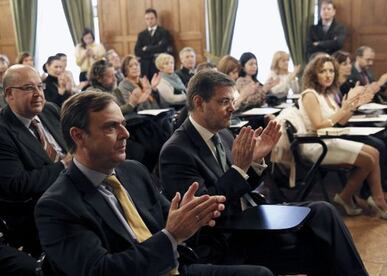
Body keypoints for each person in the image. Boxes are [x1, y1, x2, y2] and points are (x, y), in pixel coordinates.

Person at [34, 91, 273, 276]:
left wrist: (194, 217)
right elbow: (101, 271)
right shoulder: (57, 205)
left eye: (123, 124)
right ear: (78, 136)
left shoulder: (133, 171)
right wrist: (170, 236)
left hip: (175, 266)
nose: (125, 134)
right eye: (111, 127)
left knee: (261, 272)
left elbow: (173, 222)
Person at [159, 69, 369, 275]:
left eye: (232, 101)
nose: (233, 108)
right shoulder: (176, 151)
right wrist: (239, 168)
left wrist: (256, 160)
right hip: (229, 236)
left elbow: (243, 185)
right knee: (320, 246)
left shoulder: (222, 133)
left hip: (252, 216)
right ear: (198, 103)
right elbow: (204, 213)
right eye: (224, 102)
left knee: (325, 212)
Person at [299, 54, 387, 220]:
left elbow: (341, 121)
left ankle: (351, 197)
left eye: (331, 71)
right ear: (314, 74)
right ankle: (366, 199)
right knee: (369, 159)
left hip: (329, 140)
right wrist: (343, 109)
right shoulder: (310, 94)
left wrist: (352, 106)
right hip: (315, 145)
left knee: (374, 152)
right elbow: (318, 126)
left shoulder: (327, 94)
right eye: (322, 71)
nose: (328, 75)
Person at [0, 64, 71, 257]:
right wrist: (64, 165)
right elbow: (16, 184)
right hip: (40, 207)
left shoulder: (49, 110)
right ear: (9, 94)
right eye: (29, 88)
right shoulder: (3, 131)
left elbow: (71, 146)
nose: (38, 93)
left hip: (75, 185)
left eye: (40, 86)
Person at [333, 51, 387, 194]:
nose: (348, 66)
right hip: (340, 128)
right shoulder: (338, 86)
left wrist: (360, 100)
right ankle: (369, 190)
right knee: (381, 141)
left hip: (348, 121)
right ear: (336, 66)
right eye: (344, 64)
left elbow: (351, 107)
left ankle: (381, 182)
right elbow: (339, 114)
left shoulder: (349, 82)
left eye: (348, 63)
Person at [86, 60, 152, 115]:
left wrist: (136, 103)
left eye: (115, 75)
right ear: (99, 79)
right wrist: (131, 104)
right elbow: (109, 113)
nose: (115, 79)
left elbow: (126, 111)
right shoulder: (95, 93)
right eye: (110, 76)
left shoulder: (115, 90)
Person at [134, 8, 173, 80]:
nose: (149, 21)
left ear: (156, 19)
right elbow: (137, 51)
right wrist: (155, 50)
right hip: (145, 67)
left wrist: (147, 48)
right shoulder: (141, 34)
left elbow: (163, 48)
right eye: (147, 19)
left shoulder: (163, 32)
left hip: (158, 67)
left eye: (152, 18)